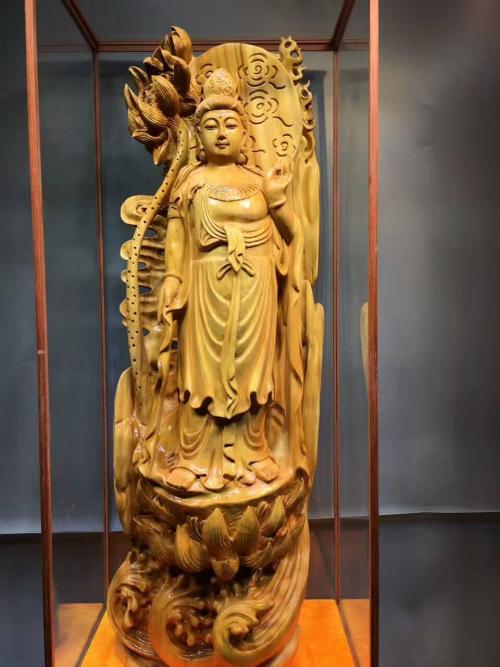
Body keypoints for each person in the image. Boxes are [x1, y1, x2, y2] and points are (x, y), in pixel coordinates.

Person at [159, 68, 296, 492]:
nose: (222, 133)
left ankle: (253, 453)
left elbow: (293, 235)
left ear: (244, 134)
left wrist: (277, 199)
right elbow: (177, 236)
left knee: (252, 372)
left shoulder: (259, 182)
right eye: (212, 125)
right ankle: (194, 456)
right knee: (202, 374)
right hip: (205, 288)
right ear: (198, 136)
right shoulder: (190, 181)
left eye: (231, 125)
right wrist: (171, 278)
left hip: (256, 288)